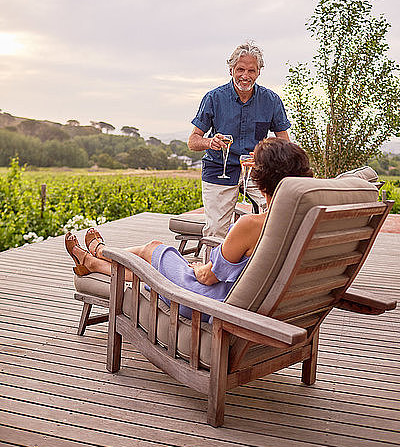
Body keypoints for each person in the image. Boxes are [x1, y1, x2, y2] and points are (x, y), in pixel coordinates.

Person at [65, 138, 313, 321]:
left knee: (154, 250)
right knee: (161, 264)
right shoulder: (307, 224)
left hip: (212, 305)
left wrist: (197, 269)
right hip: (259, 309)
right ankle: (95, 260)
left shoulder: (252, 225)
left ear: (259, 178)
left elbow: (207, 277)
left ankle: (101, 253)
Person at [188, 41, 291, 240]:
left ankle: (258, 266)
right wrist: (210, 142)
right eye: (240, 69)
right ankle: (211, 270)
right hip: (219, 168)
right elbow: (193, 141)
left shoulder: (271, 100)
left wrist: (265, 156)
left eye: (251, 70)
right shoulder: (213, 98)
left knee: (275, 218)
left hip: (258, 169)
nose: (245, 75)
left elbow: (285, 144)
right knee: (216, 230)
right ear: (231, 70)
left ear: (259, 71)